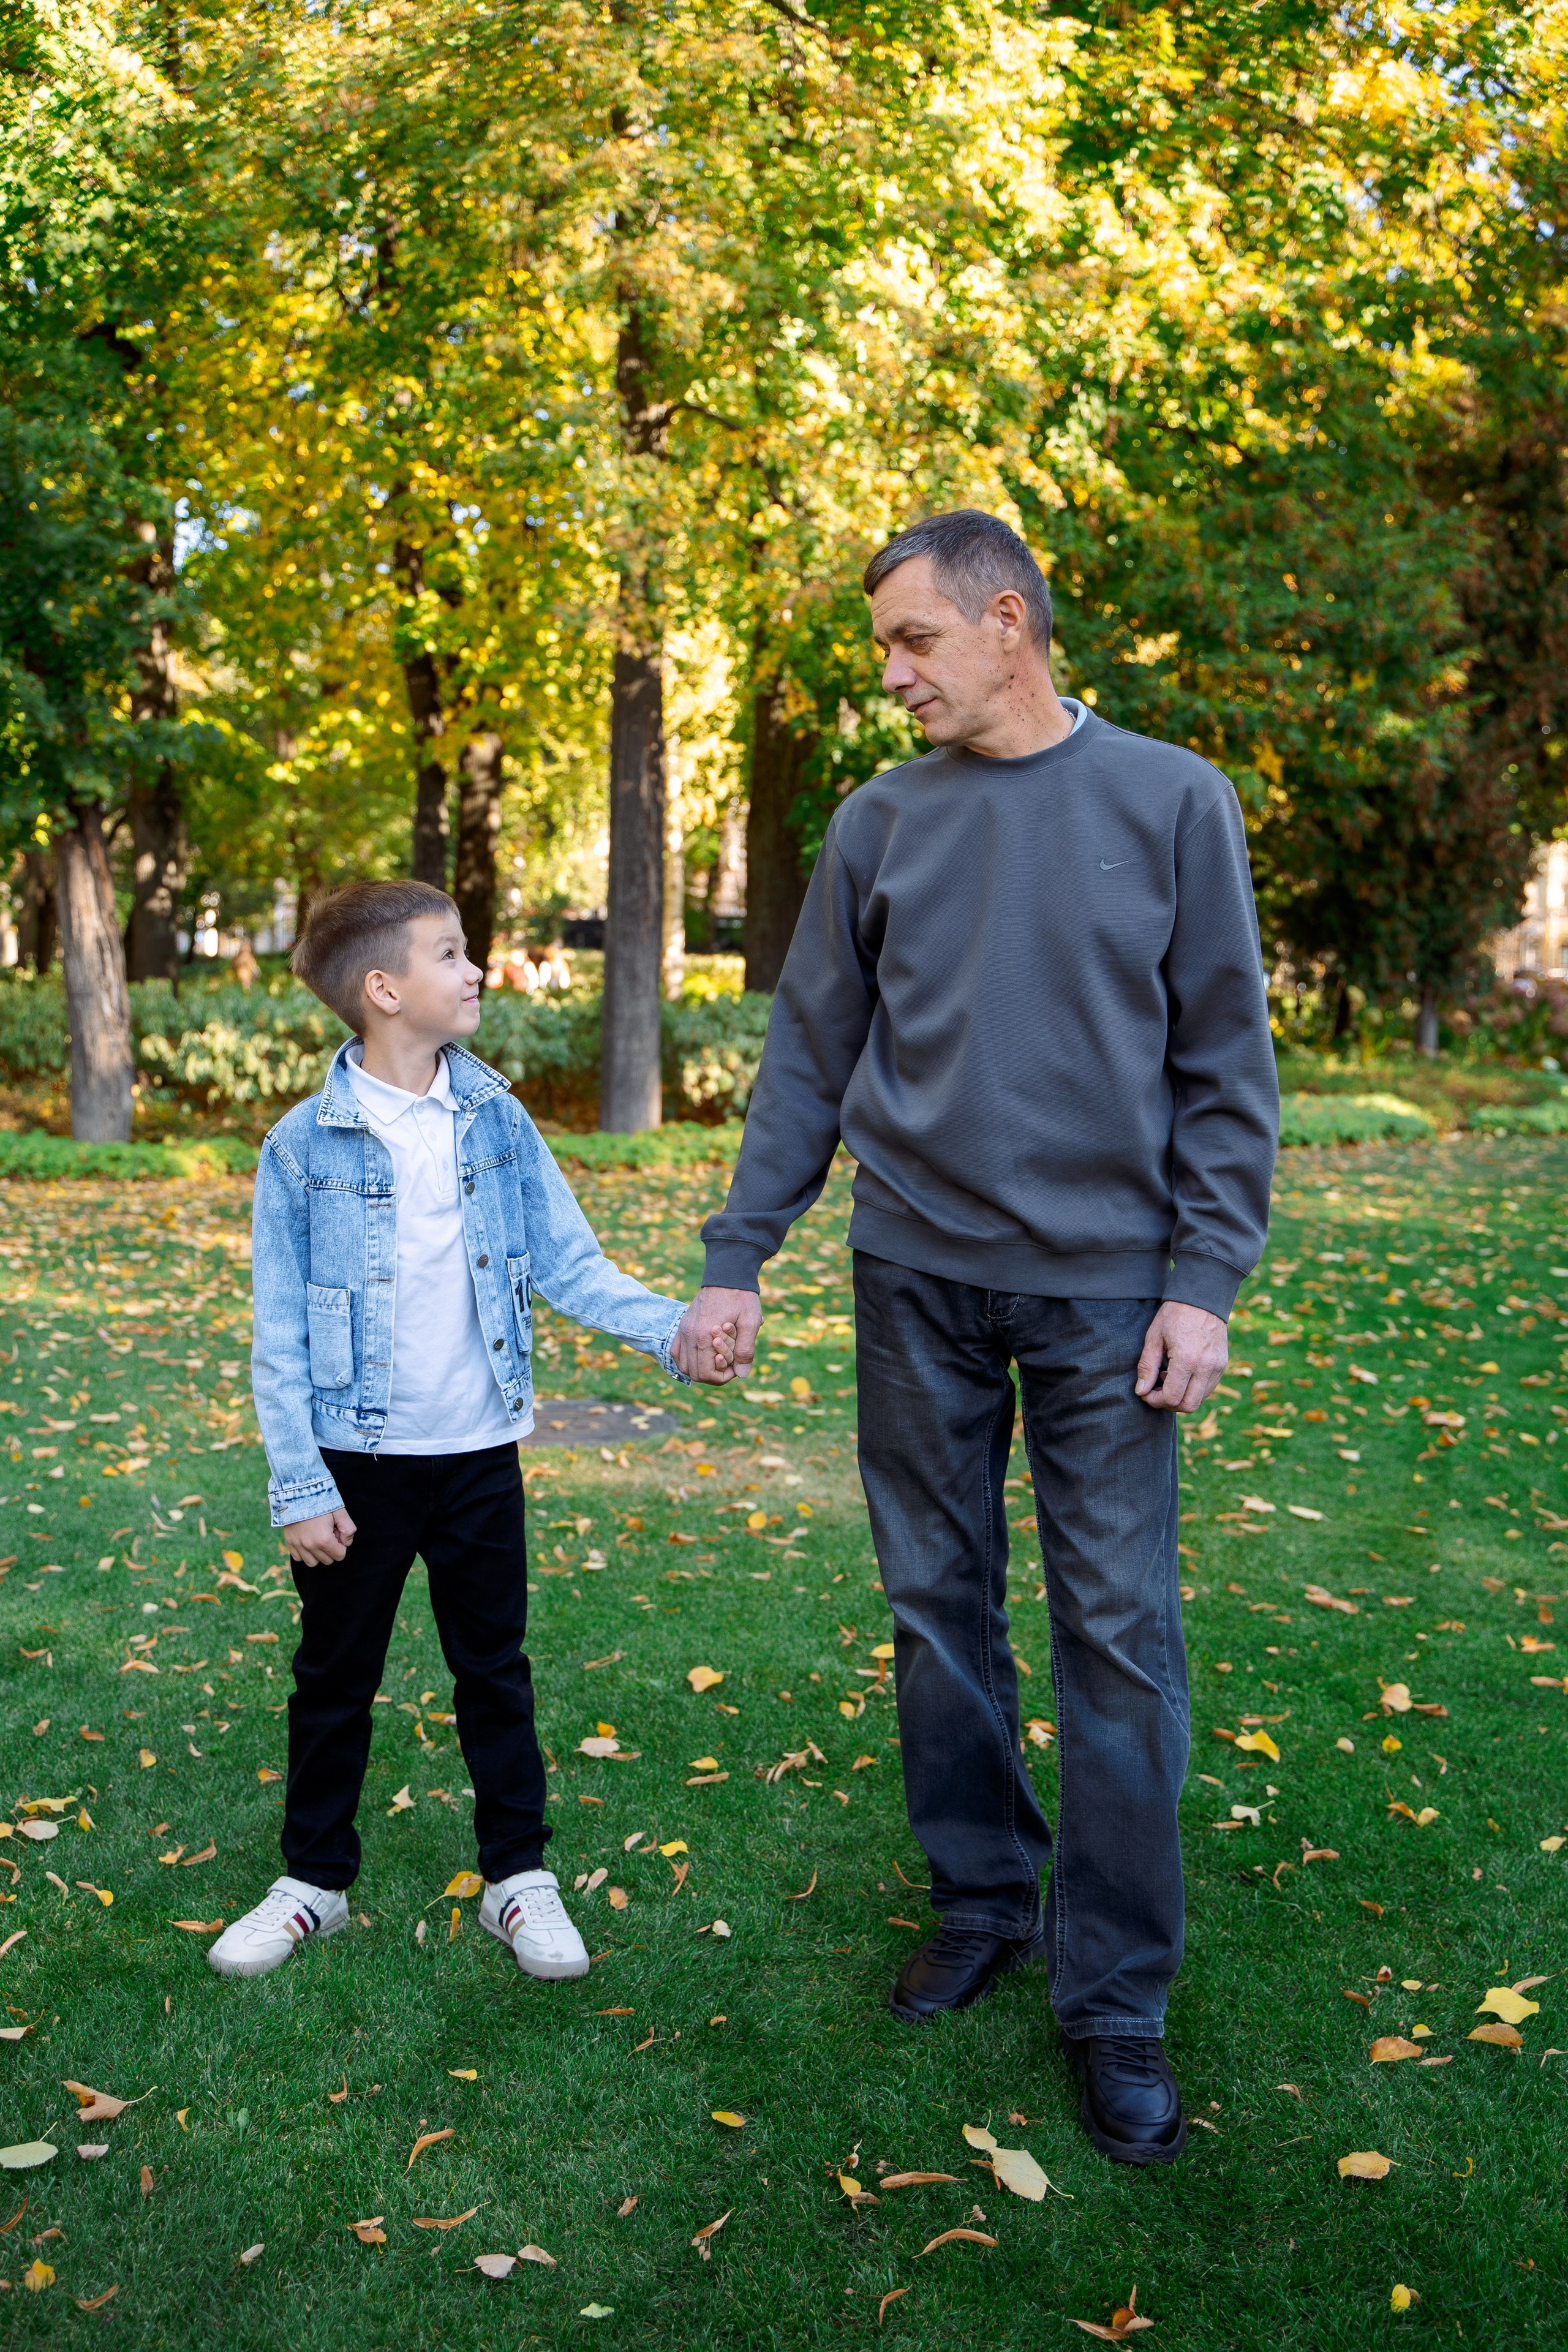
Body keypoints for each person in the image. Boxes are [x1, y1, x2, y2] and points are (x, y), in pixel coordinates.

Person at [674, 510, 1277, 2165]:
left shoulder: (1173, 803)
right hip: (914, 1276)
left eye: (914, 642)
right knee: (937, 1613)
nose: (893, 674)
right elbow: (811, 1055)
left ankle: (1118, 1999)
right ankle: (984, 1898)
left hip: (1106, 1294)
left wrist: (1203, 1281)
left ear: (1007, 623)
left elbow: (1228, 1064)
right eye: (887, 646)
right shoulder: (879, 823)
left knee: (1116, 1633)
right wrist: (740, 1259)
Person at [210, 880, 689, 1983]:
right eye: (452, 953)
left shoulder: (496, 1120)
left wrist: (671, 1331)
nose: (477, 970)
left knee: (495, 1670)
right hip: (354, 1468)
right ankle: (313, 1883)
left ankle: (517, 1879)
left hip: (478, 1455)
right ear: (384, 990)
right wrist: (298, 1485)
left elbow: (567, 1262)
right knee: (334, 1677)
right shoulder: (299, 1150)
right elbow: (279, 1337)